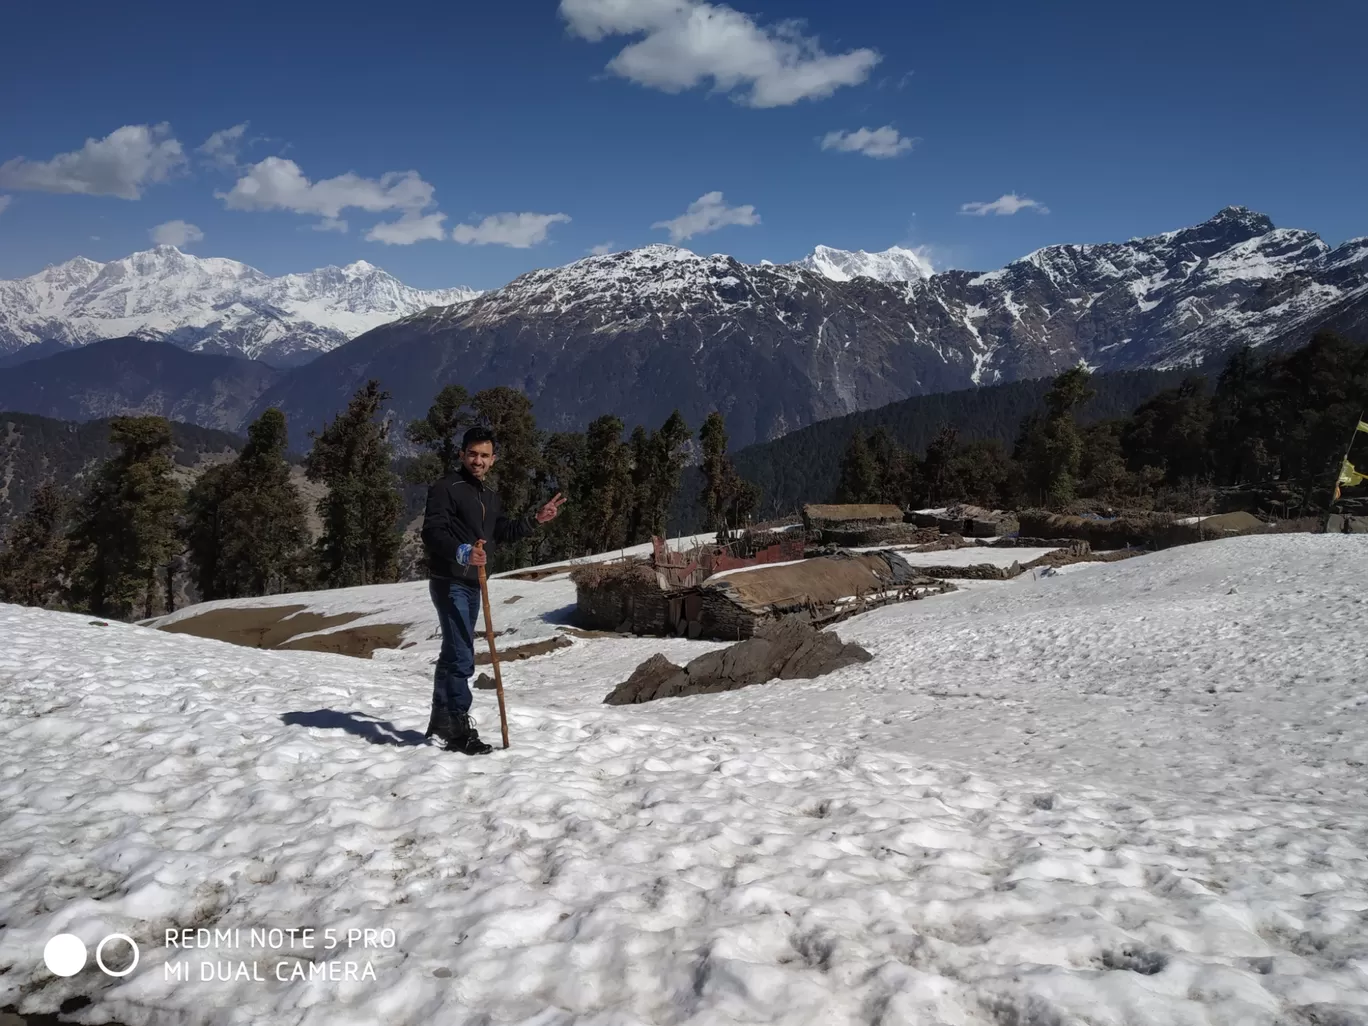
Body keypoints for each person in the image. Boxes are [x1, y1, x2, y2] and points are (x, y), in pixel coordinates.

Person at [421, 425, 565, 755]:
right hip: (449, 581)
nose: (478, 460)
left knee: (452, 652)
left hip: (474, 583)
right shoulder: (446, 488)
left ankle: (442, 719)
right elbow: (432, 532)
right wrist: (462, 552)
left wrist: (536, 520)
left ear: (493, 460)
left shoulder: (489, 497)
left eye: (484, 455)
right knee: (462, 656)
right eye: (472, 454)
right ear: (462, 455)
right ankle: (457, 729)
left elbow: (501, 531)